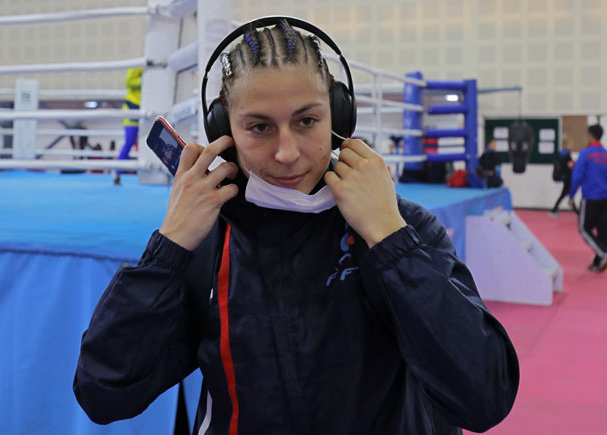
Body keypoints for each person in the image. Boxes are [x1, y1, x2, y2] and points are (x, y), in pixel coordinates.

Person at [74, 18, 519, 434]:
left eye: (307, 121)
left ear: (339, 117)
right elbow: (102, 392)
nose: (287, 152)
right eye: (259, 127)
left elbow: (484, 397)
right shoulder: (206, 240)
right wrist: (168, 250)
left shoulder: (400, 227)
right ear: (222, 128)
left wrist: (391, 241)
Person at [568, 124, 607, 272]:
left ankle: (602, 253)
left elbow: (577, 176)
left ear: (590, 135)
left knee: (584, 228)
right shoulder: (606, 153)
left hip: (591, 198)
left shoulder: (586, 154)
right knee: (603, 231)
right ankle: (598, 262)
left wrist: (571, 195)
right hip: (605, 198)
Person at [112, 67, 143, 185]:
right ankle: (117, 174)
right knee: (129, 142)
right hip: (132, 108)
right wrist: (143, 82)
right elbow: (129, 82)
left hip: (148, 106)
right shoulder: (138, 66)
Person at [549, 139, 576, 217]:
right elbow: (567, 166)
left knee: (567, 194)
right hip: (567, 177)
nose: (572, 146)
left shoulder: (561, 154)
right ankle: (554, 210)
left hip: (566, 177)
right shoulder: (566, 155)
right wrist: (573, 164)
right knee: (567, 194)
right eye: (571, 144)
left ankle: (554, 210)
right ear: (567, 145)